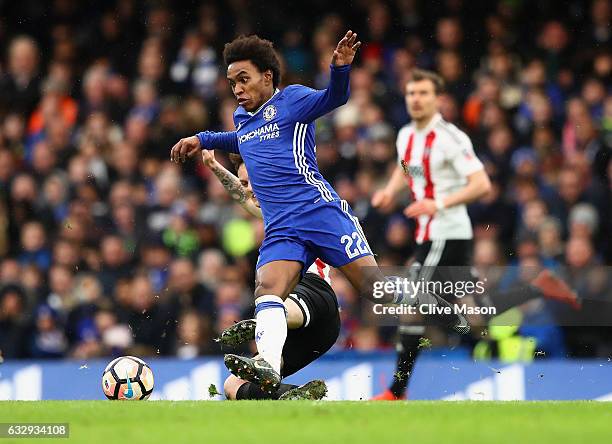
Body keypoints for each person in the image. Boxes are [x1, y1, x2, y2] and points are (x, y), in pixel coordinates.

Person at [171, 32, 468, 392]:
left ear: (267, 76)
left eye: (243, 79)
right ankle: (267, 361)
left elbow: (335, 97)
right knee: (267, 288)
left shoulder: (294, 101)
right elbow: (242, 139)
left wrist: (339, 69)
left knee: (377, 291)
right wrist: (203, 139)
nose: (237, 89)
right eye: (232, 82)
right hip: (282, 226)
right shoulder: (243, 118)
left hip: (319, 212)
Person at [371, 68, 580, 400]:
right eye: (411, 93)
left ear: (438, 99)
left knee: (411, 304)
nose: (416, 99)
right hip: (431, 234)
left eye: (423, 93)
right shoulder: (406, 135)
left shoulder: (451, 138)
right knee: (474, 315)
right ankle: (534, 286)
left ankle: (396, 391)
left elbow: (482, 184)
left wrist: (437, 203)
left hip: (445, 232)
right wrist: (389, 191)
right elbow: (407, 168)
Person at [202, 150, 336, 400]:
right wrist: (214, 166)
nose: (248, 190)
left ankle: (271, 319)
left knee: (273, 302)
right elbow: (242, 196)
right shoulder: (273, 214)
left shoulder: (299, 206)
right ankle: (298, 397)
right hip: (315, 337)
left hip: (313, 293)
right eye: (244, 182)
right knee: (233, 386)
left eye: (251, 181)